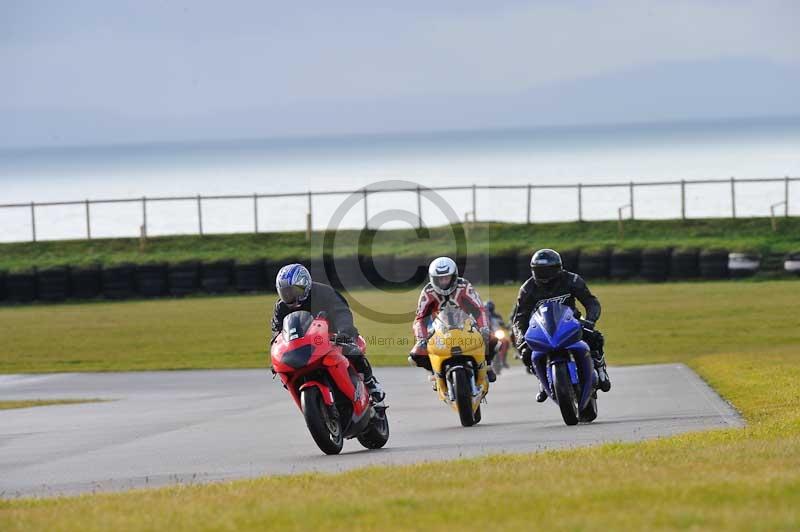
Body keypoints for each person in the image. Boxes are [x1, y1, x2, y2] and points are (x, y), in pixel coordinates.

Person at [270, 263, 385, 403]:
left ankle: (370, 383)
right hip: (304, 343)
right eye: (285, 292)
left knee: (353, 350)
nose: (289, 296)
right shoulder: (281, 307)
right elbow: (278, 331)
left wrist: (344, 332)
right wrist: (277, 354)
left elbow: (341, 312)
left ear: (304, 285)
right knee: (286, 372)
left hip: (334, 335)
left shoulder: (324, 293)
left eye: (293, 291)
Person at [512, 249, 611, 402]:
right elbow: (519, 318)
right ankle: (541, 379)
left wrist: (590, 321)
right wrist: (521, 339)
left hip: (570, 322)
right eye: (540, 271)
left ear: (558, 268)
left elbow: (591, 302)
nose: (544, 275)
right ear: (533, 270)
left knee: (594, 337)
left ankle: (600, 367)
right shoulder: (527, 289)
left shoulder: (571, 280)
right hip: (542, 327)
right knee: (526, 353)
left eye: (548, 270)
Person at [408, 256, 496, 382]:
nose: (443, 282)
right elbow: (420, 318)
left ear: (454, 276)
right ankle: (435, 371)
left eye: (447, 278)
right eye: (440, 279)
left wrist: (483, 328)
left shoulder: (464, 286)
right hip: (438, 329)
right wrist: (421, 339)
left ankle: (487, 365)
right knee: (415, 356)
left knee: (494, 340)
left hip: (467, 324)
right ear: (433, 279)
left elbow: (479, 309)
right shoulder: (427, 292)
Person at [485, 300, 510, 369]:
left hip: (498, 333)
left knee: (506, 342)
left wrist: (507, 327)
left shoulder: (497, 316)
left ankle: (503, 360)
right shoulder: (484, 317)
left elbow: (503, 325)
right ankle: (487, 361)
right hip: (489, 334)